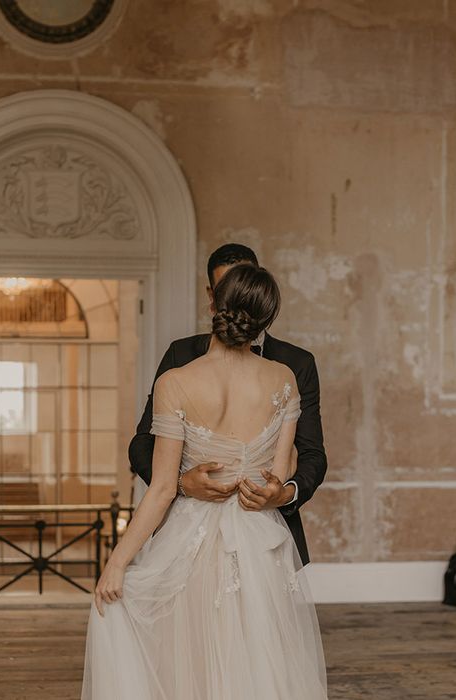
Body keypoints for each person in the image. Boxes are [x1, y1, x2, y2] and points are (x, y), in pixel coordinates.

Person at [80, 261, 329, 699]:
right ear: (266, 320)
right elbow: (284, 464)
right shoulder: (284, 380)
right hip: (258, 538)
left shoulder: (175, 382)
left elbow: (159, 490)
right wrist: (265, 483)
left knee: (189, 659)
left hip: (190, 540)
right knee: (257, 657)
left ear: (215, 304)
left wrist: (117, 563)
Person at [131, 243, 328, 566]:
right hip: (189, 538)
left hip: (266, 538)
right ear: (212, 297)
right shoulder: (180, 355)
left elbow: (312, 453)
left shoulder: (297, 364)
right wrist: (182, 484)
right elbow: (142, 443)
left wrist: (285, 493)